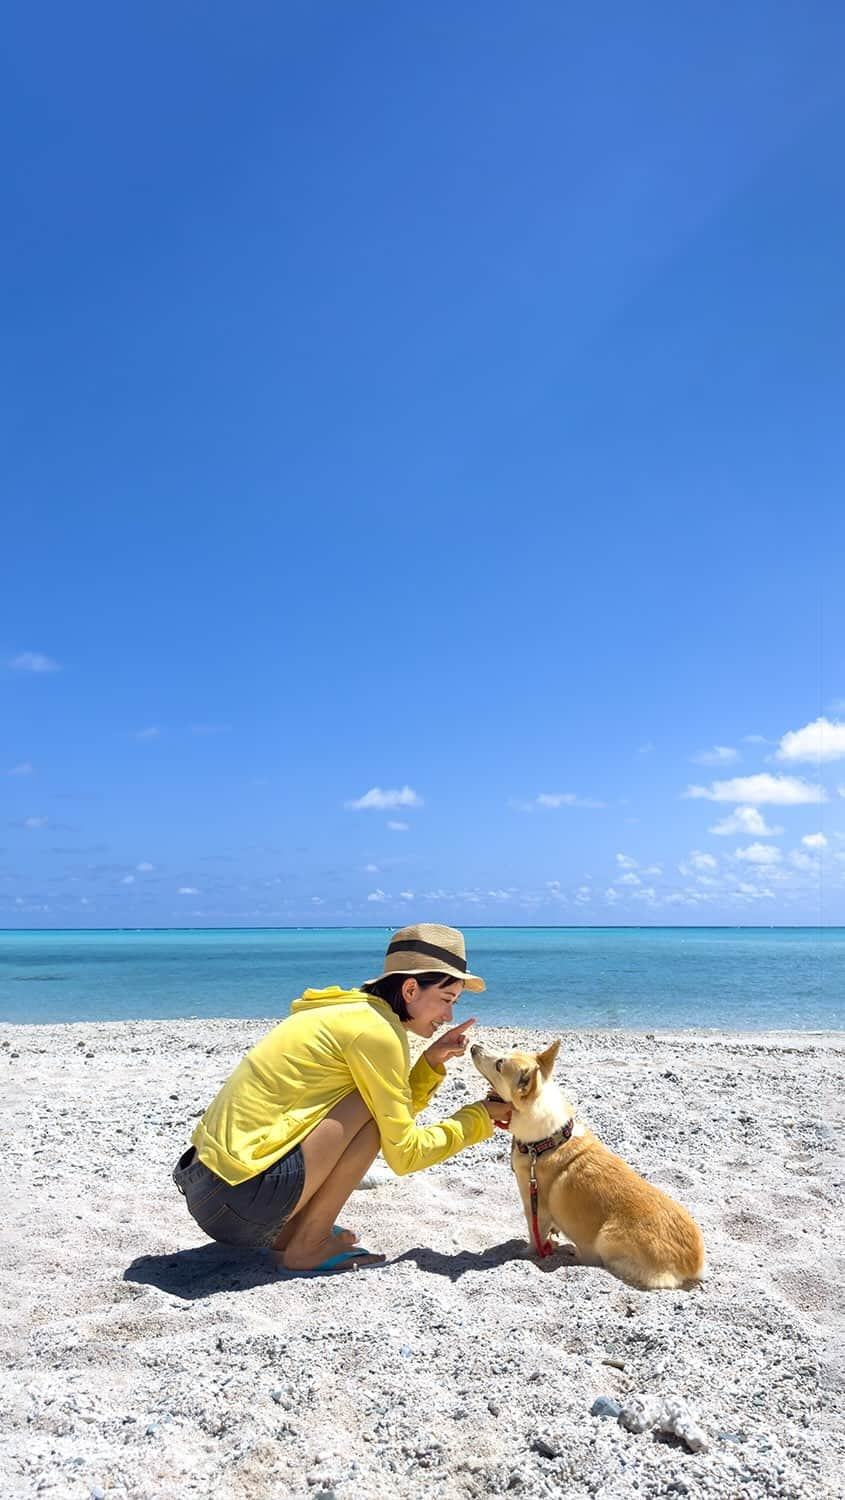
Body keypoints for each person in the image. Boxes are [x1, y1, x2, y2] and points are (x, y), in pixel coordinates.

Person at [172, 923, 512, 1276]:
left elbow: (388, 1114)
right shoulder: (377, 1032)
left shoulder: (346, 1012)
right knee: (373, 1111)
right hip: (241, 1202)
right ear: (410, 989)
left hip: (208, 1189)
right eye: (446, 1000)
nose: (448, 1017)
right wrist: (479, 1117)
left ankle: (295, 1232)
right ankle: (308, 1245)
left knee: (373, 1108)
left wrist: (428, 1063)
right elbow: (405, 1152)